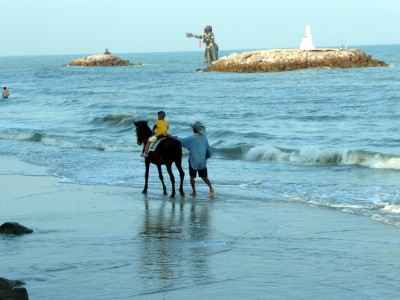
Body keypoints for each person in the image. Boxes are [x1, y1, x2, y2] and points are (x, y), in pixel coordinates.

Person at [180, 121, 214, 196]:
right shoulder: (204, 137)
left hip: (193, 160)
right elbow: (208, 149)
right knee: (204, 177)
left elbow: (182, 141)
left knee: (192, 177)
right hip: (202, 161)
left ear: (193, 130)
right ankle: (211, 188)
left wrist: (172, 137)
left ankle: (194, 191)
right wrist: (207, 156)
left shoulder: (191, 138)